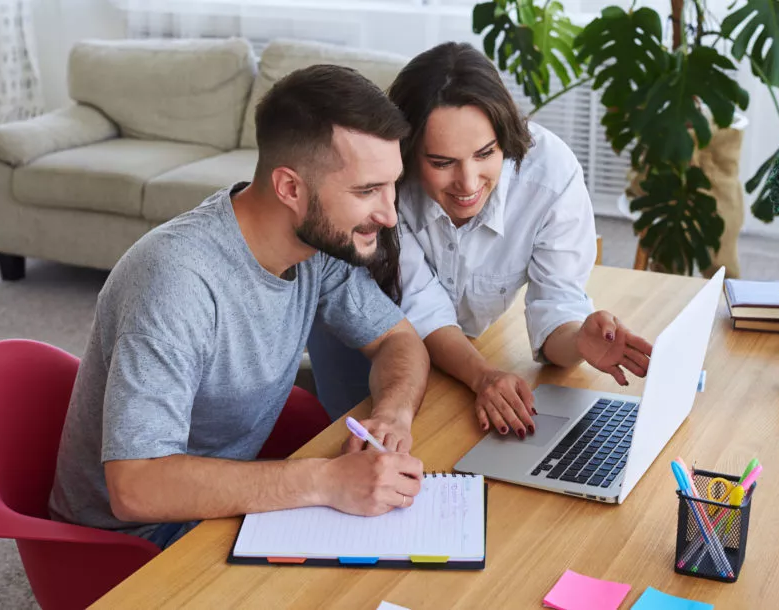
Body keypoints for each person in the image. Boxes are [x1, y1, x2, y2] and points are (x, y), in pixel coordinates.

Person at [48, 65, 431, 550]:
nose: (390, 214)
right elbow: (135, 487)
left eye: (392, 184)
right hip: (131, 541)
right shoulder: (177, 281)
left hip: (217, 504)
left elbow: (398, 339)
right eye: (366, 191)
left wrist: (394, 414)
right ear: (290, 188)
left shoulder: (318, 246)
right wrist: (324, 480)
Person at [308, 42, 653, 438]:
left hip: (460, 351)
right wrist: (483, 375)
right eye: (442, 163)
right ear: (408, 152)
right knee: (357, 441)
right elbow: (423, 306)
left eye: (485, 154)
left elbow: (556, 305)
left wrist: (579, 342)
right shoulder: (390, 184)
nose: (468, 184)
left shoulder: (551, 178)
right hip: (360, 338)